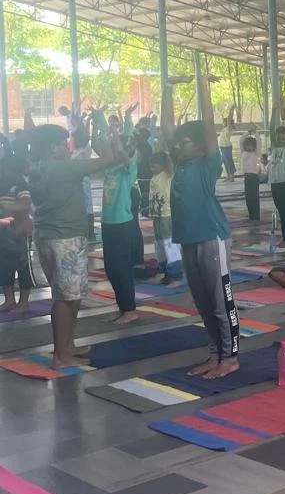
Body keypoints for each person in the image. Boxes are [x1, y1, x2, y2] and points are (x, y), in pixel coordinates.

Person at [164, 67, 241, 379]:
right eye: (178, 143)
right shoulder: (179, 166)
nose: (178, 145)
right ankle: (215, 354)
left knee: (221, 301)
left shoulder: (208, 164)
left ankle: (231, 357)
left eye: (185, 142)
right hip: (188, 240)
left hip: (212, 237)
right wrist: (167, 88)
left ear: (197, 145)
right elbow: (167, 129)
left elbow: (208, 127)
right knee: (203, 304)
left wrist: (202, 84)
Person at [28, 120, 120, 368]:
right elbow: (111, 160)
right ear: (50, 147)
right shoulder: (62, 169)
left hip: (48, 236)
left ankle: (68, 345)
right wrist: (110, 134)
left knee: (71, 295)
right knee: (65, 298)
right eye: (61, 144)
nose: (66, 148)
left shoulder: (37, 168)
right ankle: (61, 354)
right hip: (66, 239)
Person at [98, 106, 143, 324]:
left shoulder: (129, 168)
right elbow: (104, 144)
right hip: (108, 224)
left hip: (122, 225)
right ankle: (123, 306)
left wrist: (117, 134)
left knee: (121, 267)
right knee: (111, 268)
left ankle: (130, 309)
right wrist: (99, 119)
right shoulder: (111, 169)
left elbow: (122, 152)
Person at [0, 138, 34, 313]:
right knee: (4, 266)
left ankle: (24, 302)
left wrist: (7, 207)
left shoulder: (20, 183)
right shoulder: (2, 182)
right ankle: (9, 300)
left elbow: (25, 204)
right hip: (4, 234)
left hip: (18, 233)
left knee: (22, 267)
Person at [147, 152, 183, 284]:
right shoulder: (155, 177)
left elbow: (169, 159)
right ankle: (166, 271)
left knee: (170, 244)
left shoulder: (167, 174)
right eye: (150, 167)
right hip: (157, 216)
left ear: (162, 165)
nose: (151, 169)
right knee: (159, 244)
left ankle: (176, 275)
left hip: (167, 215)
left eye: (153, 166)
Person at [267, 97, 285, 249]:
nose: (279, 137)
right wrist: (273, 110)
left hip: (284, 183)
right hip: (274, 183)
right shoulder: (274, 147)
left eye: (282, 136)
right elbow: (271, 128)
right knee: (280, 209)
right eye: (278, 136)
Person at [240, 132, 260, 222]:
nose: (249, 147)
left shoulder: (256, 153)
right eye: (247, 145)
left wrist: (254, 133)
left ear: (254, 146)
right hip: (247, 177)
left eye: (251, 145)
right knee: (248, 197)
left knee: (254, 197)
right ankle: (251, 215)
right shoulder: (243, 153)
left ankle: (256, 216)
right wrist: (248, 132)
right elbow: (240, 140)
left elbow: (259, 141)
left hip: (254, 177)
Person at [218, 116, 236, 182]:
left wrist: (230, 113)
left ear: (227, 122)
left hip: (227, 147)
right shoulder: (224, 129)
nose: (222, 123)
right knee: (225, 162)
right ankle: (228, 175)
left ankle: (232, 176)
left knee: (229, 161)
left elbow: (229, 122)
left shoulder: (229, 128)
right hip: (222, 147)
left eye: (223, 122)